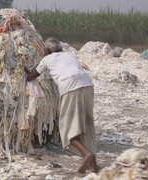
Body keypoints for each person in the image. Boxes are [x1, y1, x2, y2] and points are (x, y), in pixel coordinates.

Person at [25, 38, 98, 173]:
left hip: (70, 88)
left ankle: (86, 154)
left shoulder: (47, 59)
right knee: (87, 125)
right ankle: (93, 167)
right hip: (87, 85)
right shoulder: (70, 55)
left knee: (67, 128)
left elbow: (32, 75)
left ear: (47, 50)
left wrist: (26, 71)